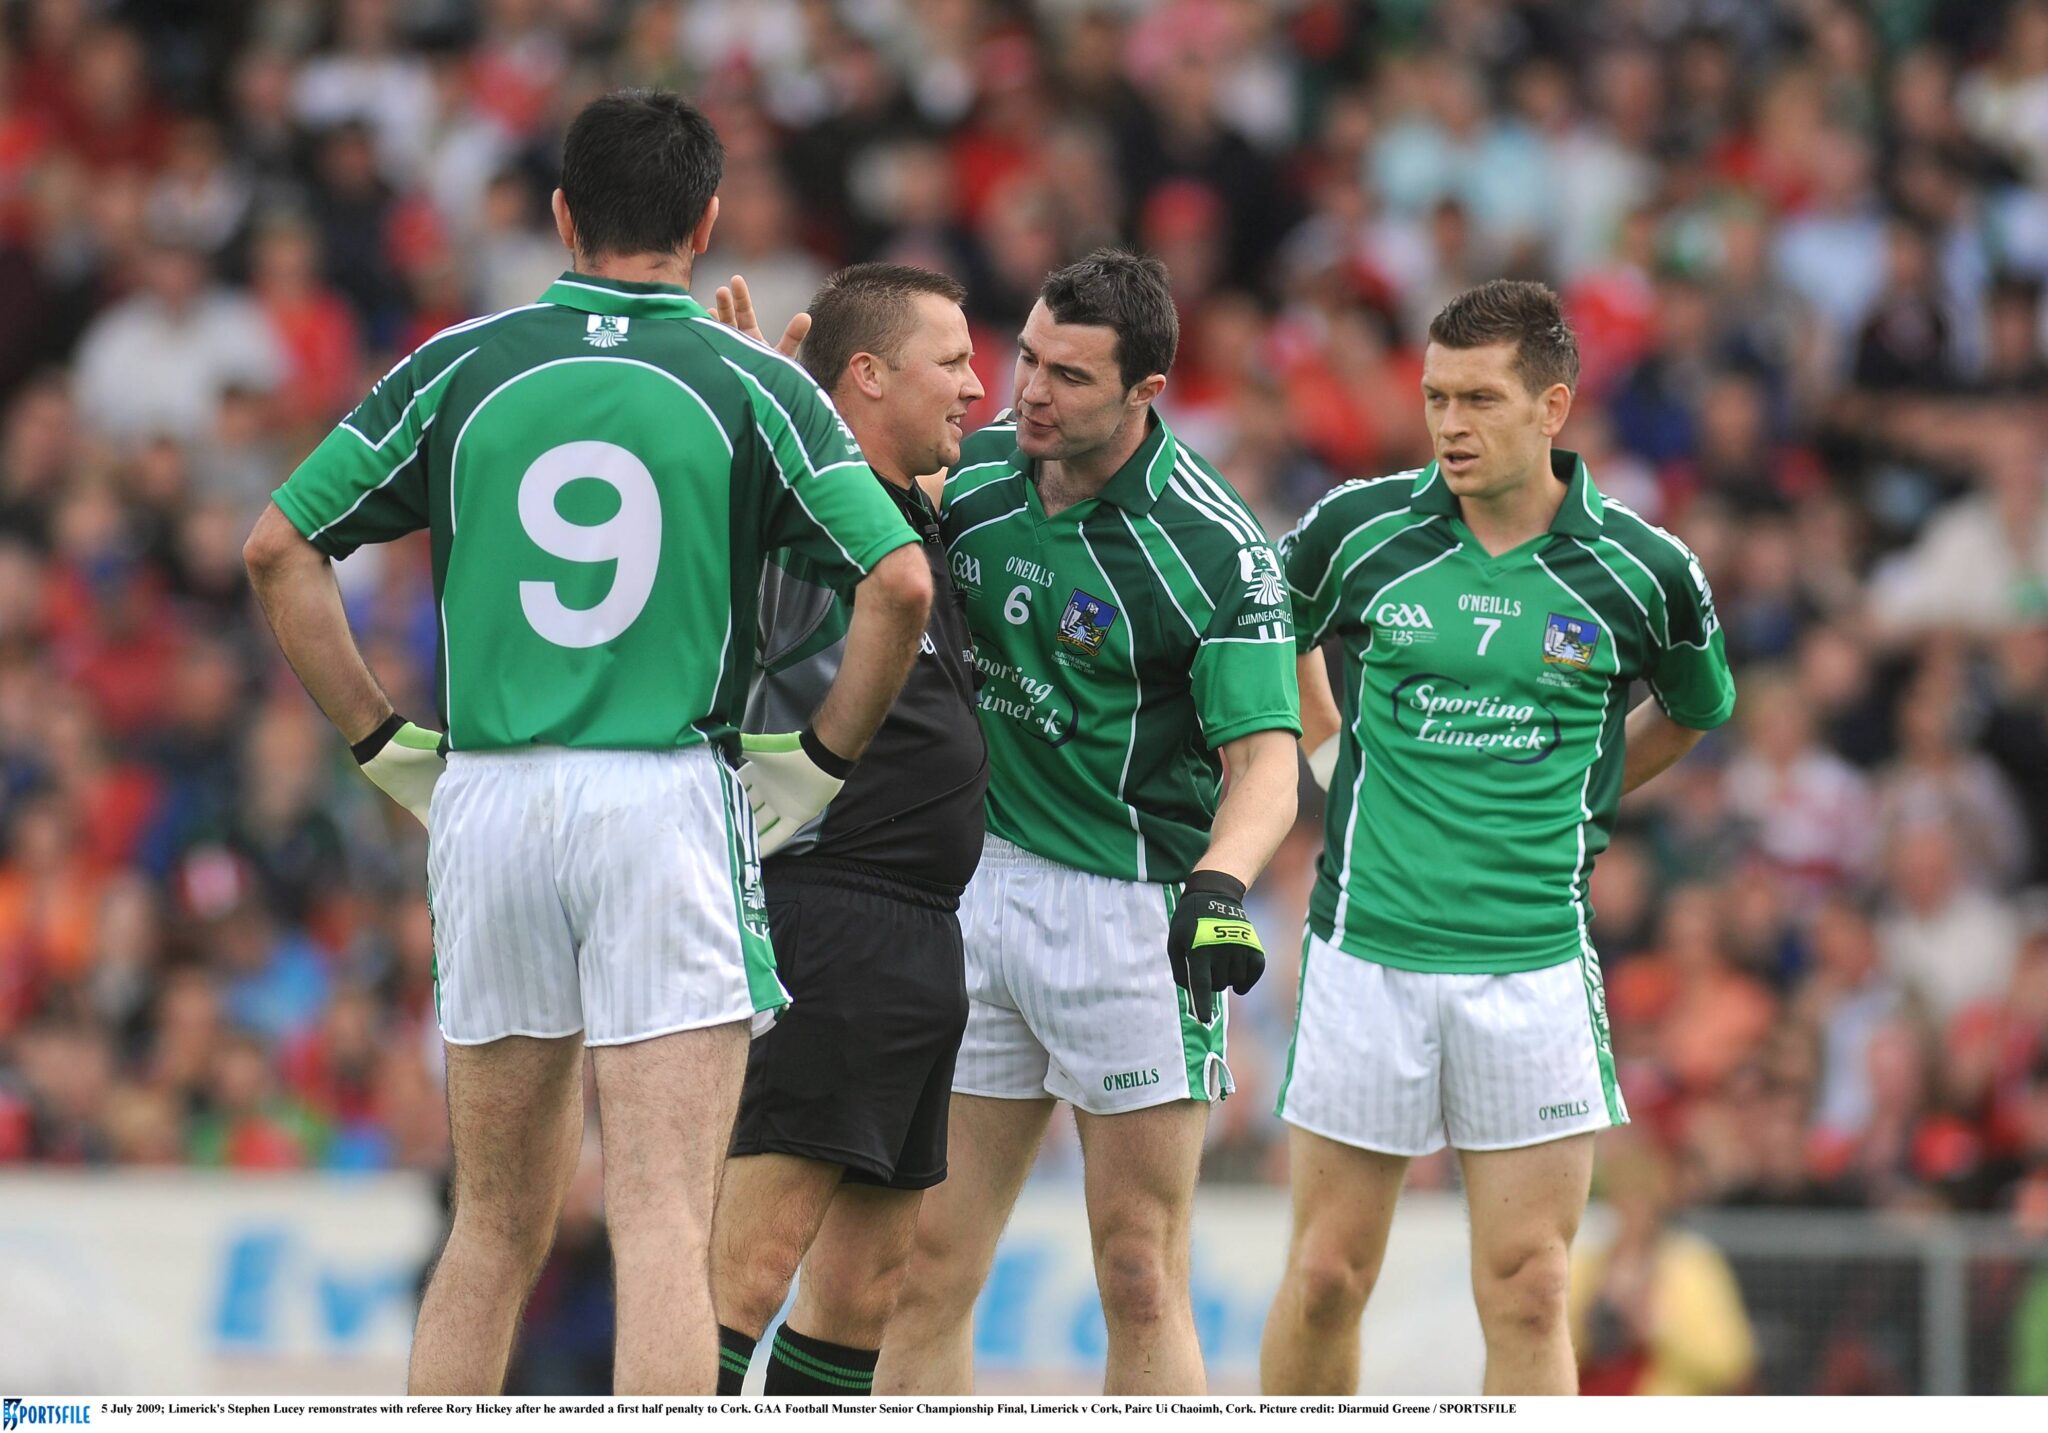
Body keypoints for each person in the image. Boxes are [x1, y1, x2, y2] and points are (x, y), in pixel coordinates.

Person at [241, 90, 932, 1395]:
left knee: (491, 1225)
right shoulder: (754, 383)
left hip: (491, 797)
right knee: (662, 1222)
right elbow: (898, 583)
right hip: (663, 798)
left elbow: (278, 549)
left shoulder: (460, 361)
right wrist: (820, 761)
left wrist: (381, 740)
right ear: (706, 222)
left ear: (561, 217)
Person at [1262, 279, 1736, 1395]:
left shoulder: (1645, 569)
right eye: (1435, 397)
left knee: (1529, 1285)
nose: (1449, 424)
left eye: (1478, 399)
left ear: (1551, 406)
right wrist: (1326, 753)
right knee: (1326, 1275)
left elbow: (1694, 707)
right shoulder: (1357, 529)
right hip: (1366, 951)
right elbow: (1270, 629)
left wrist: (1589, 790)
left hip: (1531, 966)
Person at [876, 250, 1303, 1395]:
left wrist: (1220, 883)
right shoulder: (969, 480)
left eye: (1068, 376)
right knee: (924, 1264)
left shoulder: (1213, 547)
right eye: (1026, 358)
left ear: (1145, 391)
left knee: (1138, 1271)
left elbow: (1268, 761)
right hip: (977, 888)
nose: (1028, 392)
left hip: (1132, 914)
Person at [705, 265, 989, 1397]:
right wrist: (769, 422)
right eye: (952, 362)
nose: (978, 387)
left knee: (867, 1285)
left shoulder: (911, 509)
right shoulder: (797, 516)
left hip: (922, 933)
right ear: (866, 375)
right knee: (745, 1267)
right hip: (821, 916)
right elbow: (726, 525)